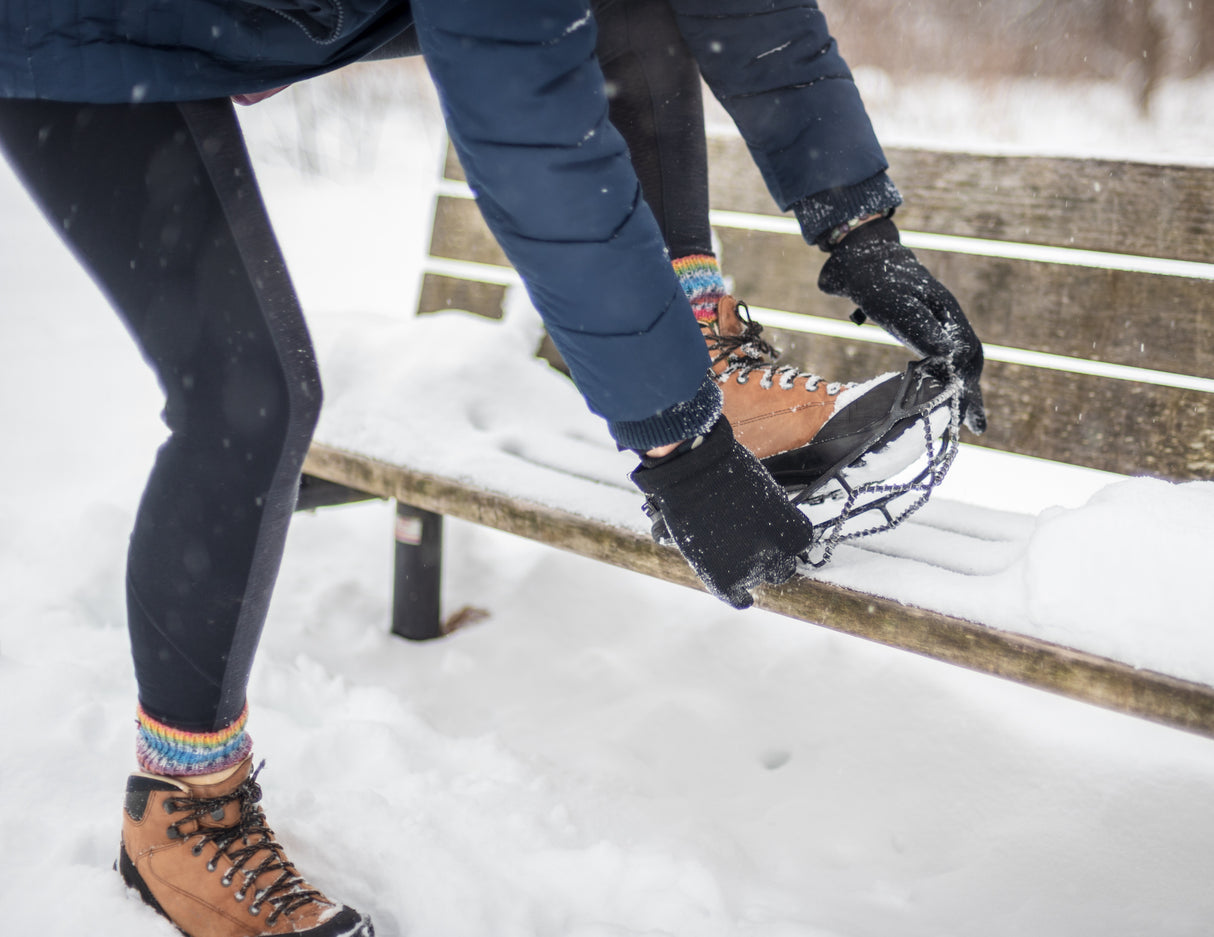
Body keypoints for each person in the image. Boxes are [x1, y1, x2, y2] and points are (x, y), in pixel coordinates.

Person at [0, 4, 982, 937]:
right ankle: (182, 804)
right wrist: (676, 449)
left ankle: (703, 340)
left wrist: (856, 227)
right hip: (90, 22)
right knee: (247, 393)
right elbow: (530, 126)